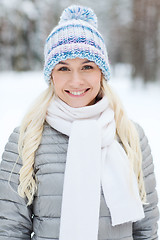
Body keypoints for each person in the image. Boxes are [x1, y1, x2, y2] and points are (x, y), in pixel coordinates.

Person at [0, 5, 159, 240]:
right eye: (63, 68)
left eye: (87, 66)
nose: (76, 81)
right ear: (51, 76)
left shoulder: (130, 135)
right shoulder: (27, 137)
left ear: (101, 73)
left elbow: (145, 229)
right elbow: (11, 230)